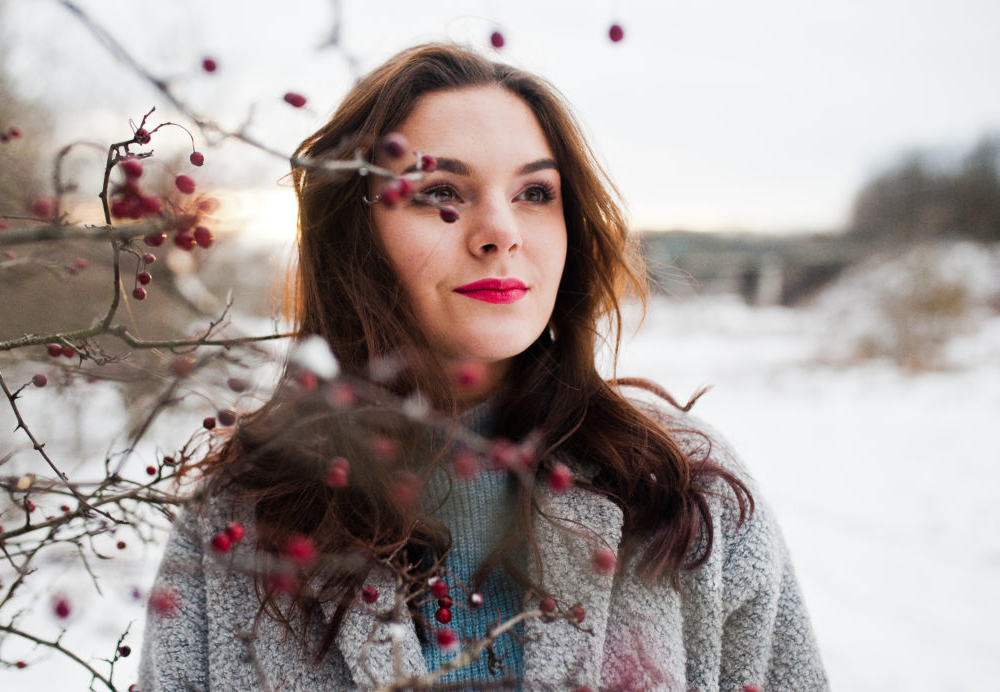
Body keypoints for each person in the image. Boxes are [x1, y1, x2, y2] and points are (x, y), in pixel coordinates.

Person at [139, 43, 828, 691]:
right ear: (356, 237)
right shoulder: (246, 515)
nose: (501, 230)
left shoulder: (682, 491)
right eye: (441, 190)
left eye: (535, 194)